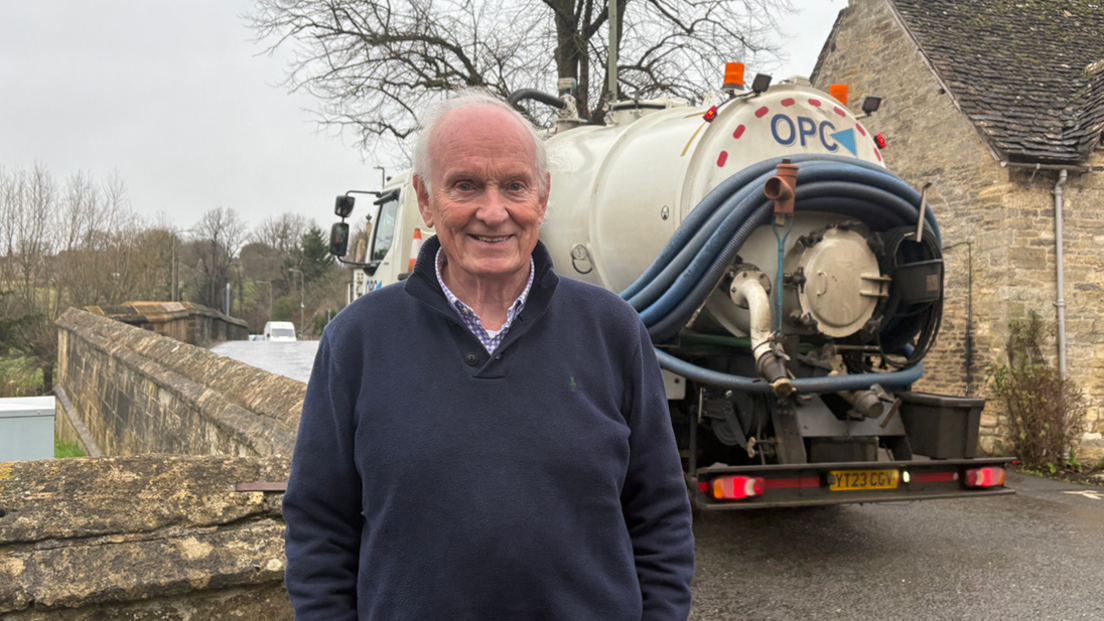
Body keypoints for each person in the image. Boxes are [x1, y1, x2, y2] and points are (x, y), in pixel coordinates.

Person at [283, 89, 694, 621]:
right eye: (466, 186)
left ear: (543, 198)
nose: (494, 211)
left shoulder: (613, 330)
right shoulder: (357, 341)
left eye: (515, 186)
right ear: (426, 200)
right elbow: (319, 526)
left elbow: (660, 516)